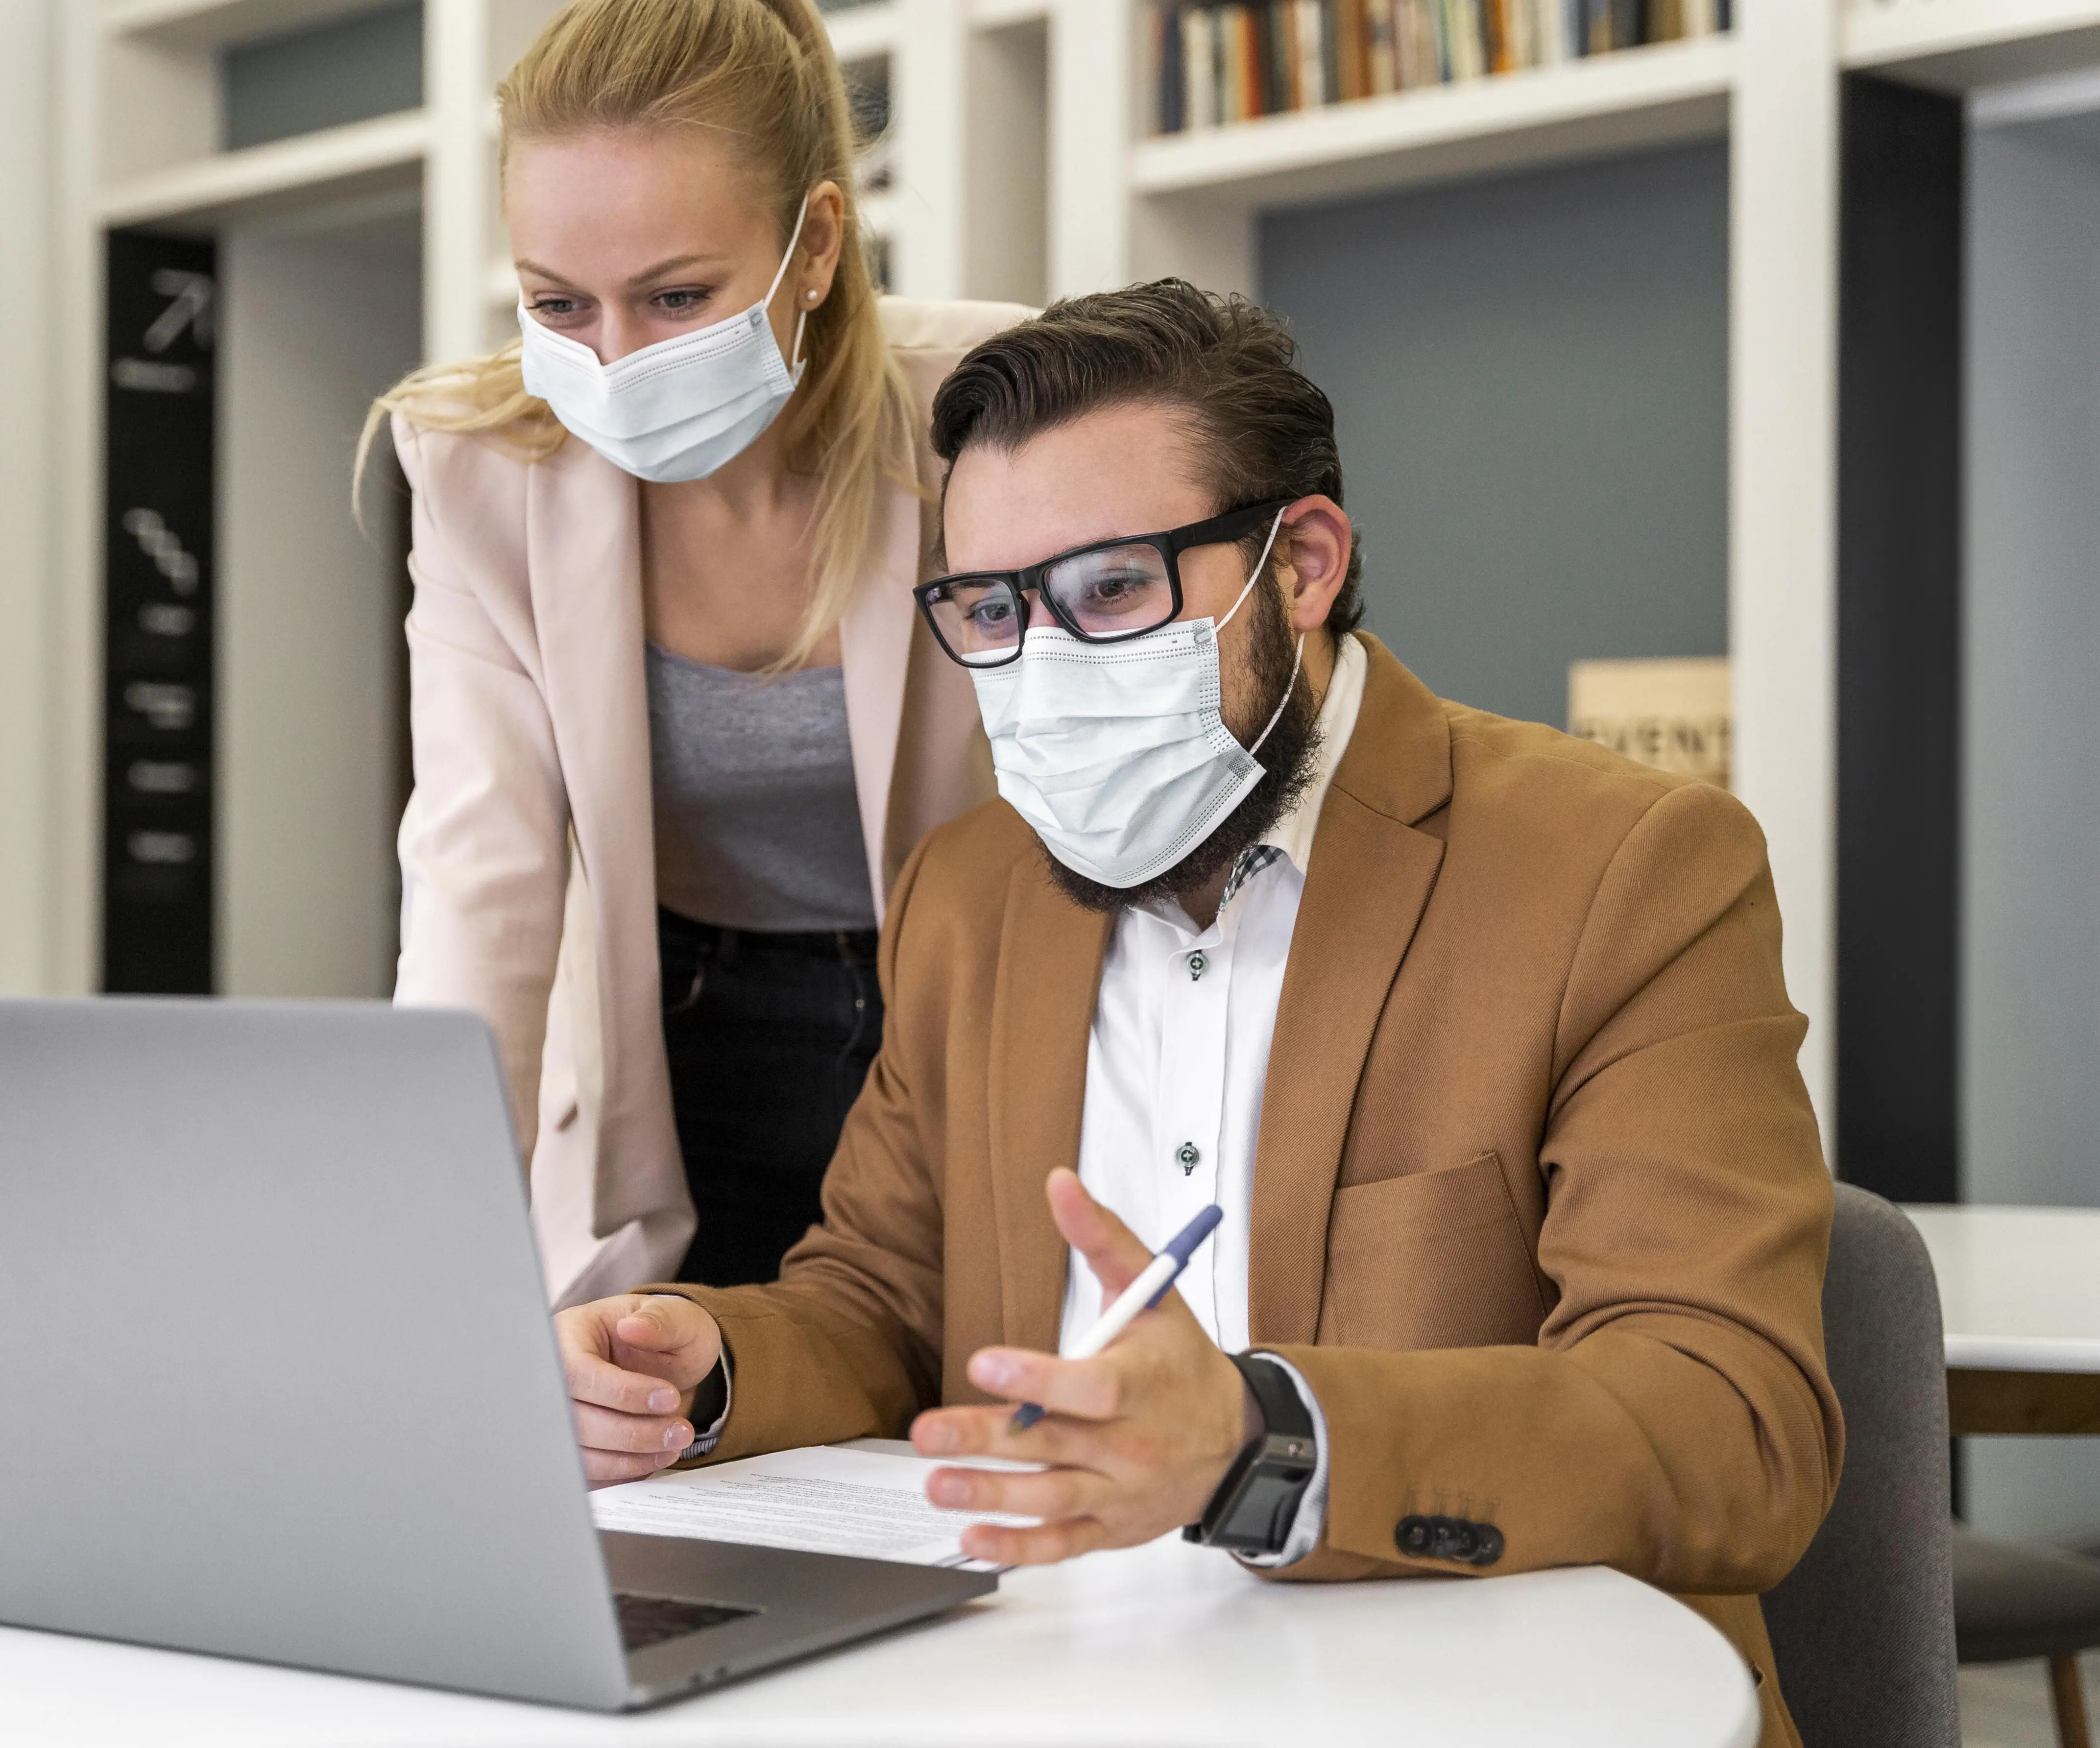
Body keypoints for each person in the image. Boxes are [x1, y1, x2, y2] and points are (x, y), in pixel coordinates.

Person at [549, 281, 1841, 1748]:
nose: (1042, 666)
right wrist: (700, 1372)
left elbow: (1731, 1425)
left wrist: (1260, 1444)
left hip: (1490, 1701)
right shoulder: (967, 897)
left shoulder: (1625, 872)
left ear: (1297, 563)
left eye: (1110, 590)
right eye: (989, 609)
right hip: (1050, 1694)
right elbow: (887, 1306)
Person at [368, 0, 1026, 1302]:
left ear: (818, 244)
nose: (612, 358)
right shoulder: (481, 463)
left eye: (676, 298)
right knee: (695, 1422)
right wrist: (421, 1250)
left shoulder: (1000, 408)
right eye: (558, 302)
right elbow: (477, 874)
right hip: (676, 1024)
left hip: (974, 1012)